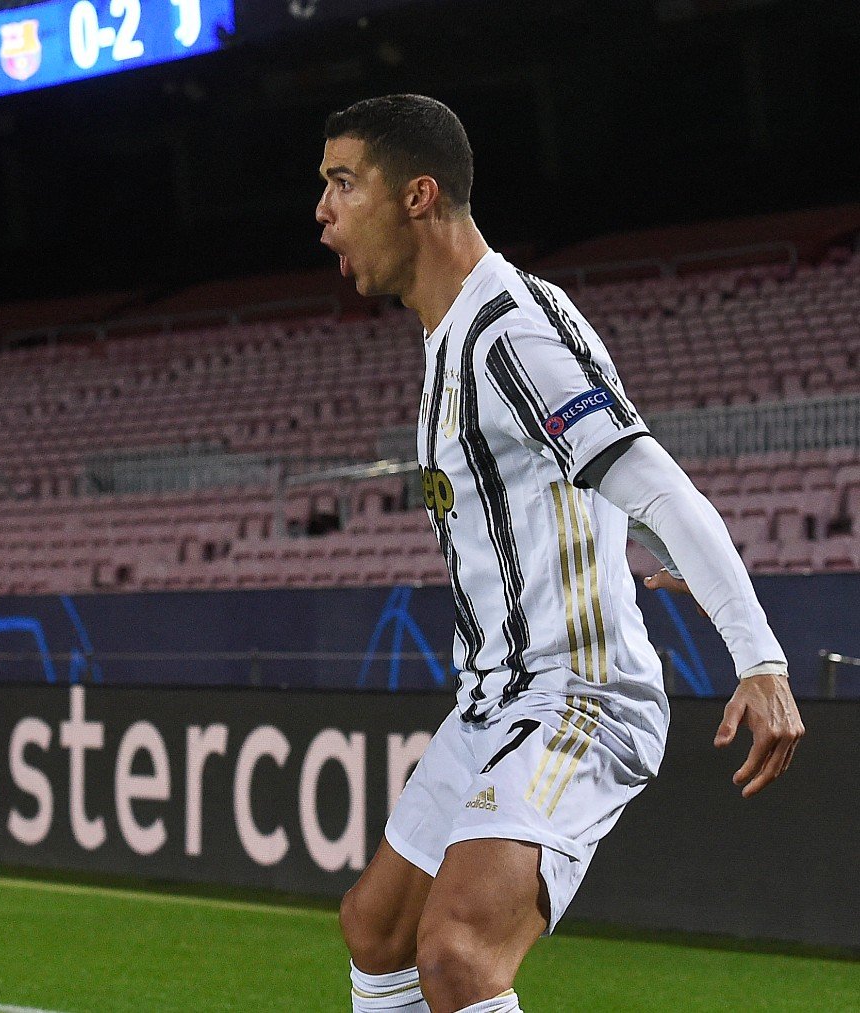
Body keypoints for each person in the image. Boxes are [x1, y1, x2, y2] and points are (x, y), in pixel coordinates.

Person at [315, 95, 803, 1013]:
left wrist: (760, 659)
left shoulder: (510, 333)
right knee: (376, 931)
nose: (324, 210)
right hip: (492, 700)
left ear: (418, 195)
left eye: (344, 182)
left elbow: (659, 484)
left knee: (457, 953)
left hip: (579, 695)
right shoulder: (453, 336)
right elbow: (577, 492)